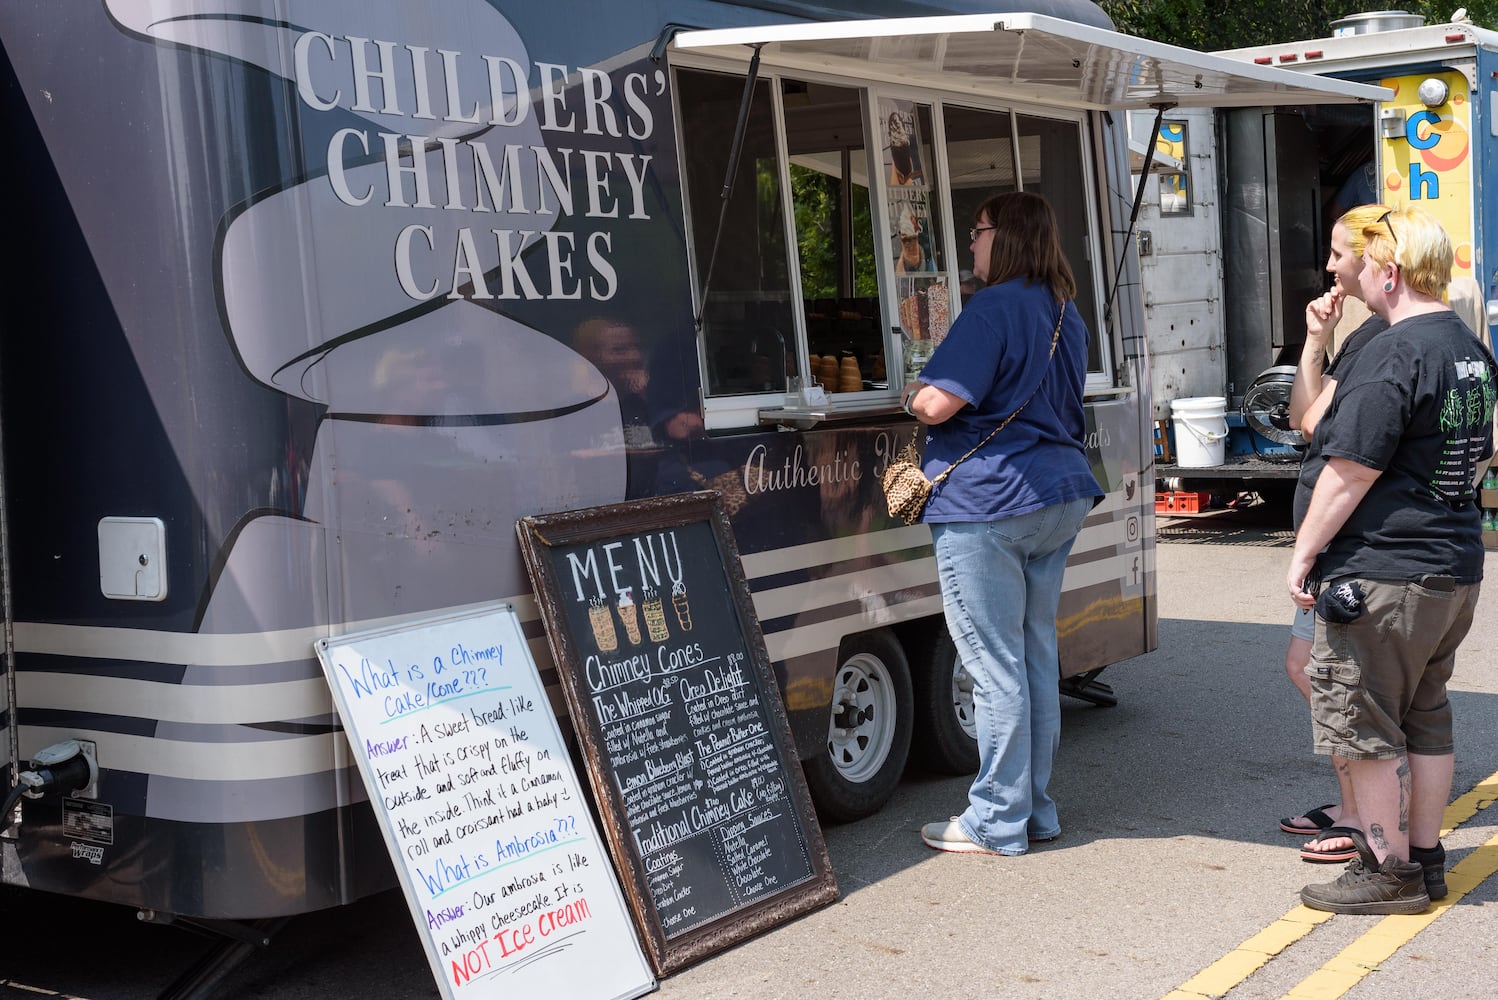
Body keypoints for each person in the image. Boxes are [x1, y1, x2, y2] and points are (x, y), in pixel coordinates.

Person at [1287, 205, 1496, 914]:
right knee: (1427, 718)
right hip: (1452, 566)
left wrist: (1304, 553)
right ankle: (1427, 857)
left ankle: (1386, 868)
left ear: (1391, 270)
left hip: (1386, 572)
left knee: (1365, 725)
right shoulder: (1465, 345)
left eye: (1363, 262)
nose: (1351, 276)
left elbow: (1349, 468)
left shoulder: (1396, 351)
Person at [901, 191, 1102, 856]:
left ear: (1006, 238)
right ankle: (1035, 810)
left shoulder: (991, 307)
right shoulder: (1063, 313)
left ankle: (994, 820)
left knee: (992, 667)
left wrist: (912, 393)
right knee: (1034, 656)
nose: (970, 244)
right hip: (1060, 495)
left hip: (991, 503)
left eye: (978, 231)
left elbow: (937, 402)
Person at [1277, 204, 1391, 858]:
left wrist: (1309, 548)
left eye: (1337, 252)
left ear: (1373, 257)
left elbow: (1320, 430)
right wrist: (1316, 342)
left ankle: (1366, 813)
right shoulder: (1363, 333)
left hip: (1345, 545)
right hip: (1330, 545)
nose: (1328, 265)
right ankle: (1354, 805)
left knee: (1323, 672)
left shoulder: (1384, 337)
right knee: (1316, 670)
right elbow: (1304, 413)